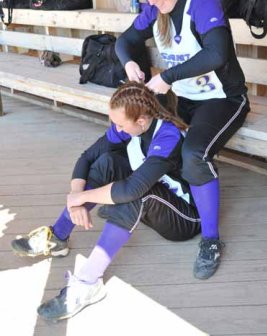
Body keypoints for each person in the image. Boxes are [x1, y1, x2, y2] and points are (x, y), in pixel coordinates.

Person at [11, 81, 201, 322]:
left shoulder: (168, 135)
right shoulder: (131, 126)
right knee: (107, 162)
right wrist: (75, 200)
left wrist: (82, 197)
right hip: (153, 202)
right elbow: (88, 157)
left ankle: (88, 283)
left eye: (121, 124)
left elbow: (132, 188)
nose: (117, 129)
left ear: (141, 122)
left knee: (135, 193)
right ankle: (57, 237)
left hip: (183, 218)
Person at [115, 0, 250, 280]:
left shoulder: (203, 4)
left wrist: (168, 78)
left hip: (223, 99)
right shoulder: (154, 9)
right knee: (143, 135)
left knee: (194, 152)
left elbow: (216, 54)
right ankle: (182, 207)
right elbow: (125, 41)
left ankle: (211, 240)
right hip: (186, 100)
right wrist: (128, 62)